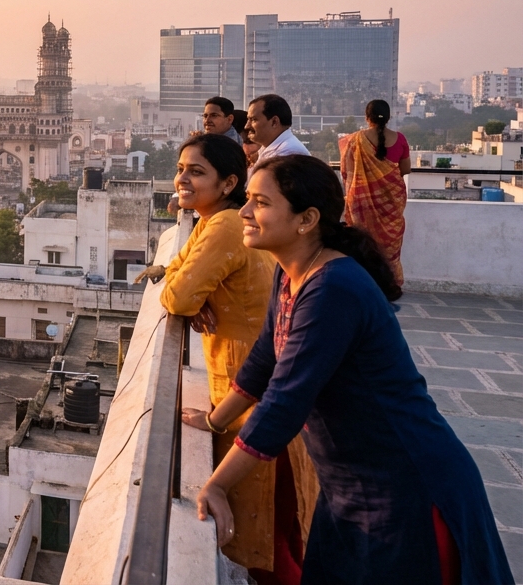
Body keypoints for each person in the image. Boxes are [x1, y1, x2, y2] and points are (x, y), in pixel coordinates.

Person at [189, 155, 513, 584]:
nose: (245, 212)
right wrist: (215, 421)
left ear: (306, 219)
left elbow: (285, 401)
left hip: (404, 484)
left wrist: (215, 484)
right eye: (247, 199)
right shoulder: (291, 276)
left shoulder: (333, 288)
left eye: (260, 203)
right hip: (349, 485)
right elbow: (264, 361)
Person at [136, 134, 316, 577]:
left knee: (271, 523)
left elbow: (177, 296)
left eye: (196, 171)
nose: (182, 179)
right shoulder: (212, 222)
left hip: (249, 377)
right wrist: (195, 292)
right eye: (181, 169)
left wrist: (194, 297)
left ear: (228, 182)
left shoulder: (225, 226)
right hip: (245, 371)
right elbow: (180, 275)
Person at [339, 99, 411, 286]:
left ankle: (361, 280)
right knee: (387, 244)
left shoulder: (354, 140)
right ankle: (387, 282)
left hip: (360, 202)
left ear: (367, 117)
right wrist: (385, 179)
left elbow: (347, 171)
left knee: (362, 242)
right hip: (391, 201)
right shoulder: (400, 139)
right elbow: (405, 169)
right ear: (388, 117)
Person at [244, 94, 308, 174]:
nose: (246, 126)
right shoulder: (270, 148)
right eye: (248, 120)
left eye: (253, 120)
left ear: (274, 122)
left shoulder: (287, 154)